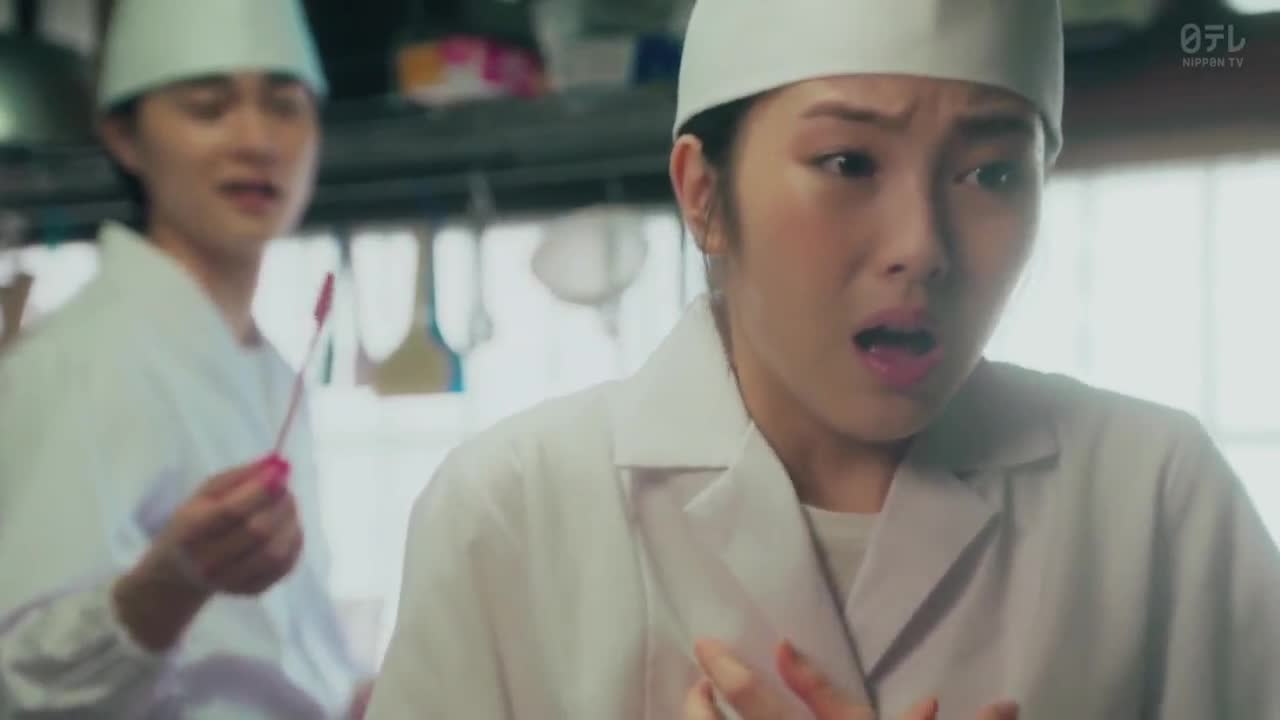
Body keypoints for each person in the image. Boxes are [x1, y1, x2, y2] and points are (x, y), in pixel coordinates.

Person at [368, 0, 1280, 718]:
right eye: (848, 162)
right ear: (703, 194)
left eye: (992, 174)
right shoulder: (512, 511)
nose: (921, 246)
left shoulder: (1156, 495)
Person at [0, 1, 374, 717]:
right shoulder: (74, 364)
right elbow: (17, 686)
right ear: (126, 139)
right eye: (208, 108)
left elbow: (283, 660)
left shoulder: (267, 370)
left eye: (286, 106)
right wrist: (171, 584)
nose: (257, 140)